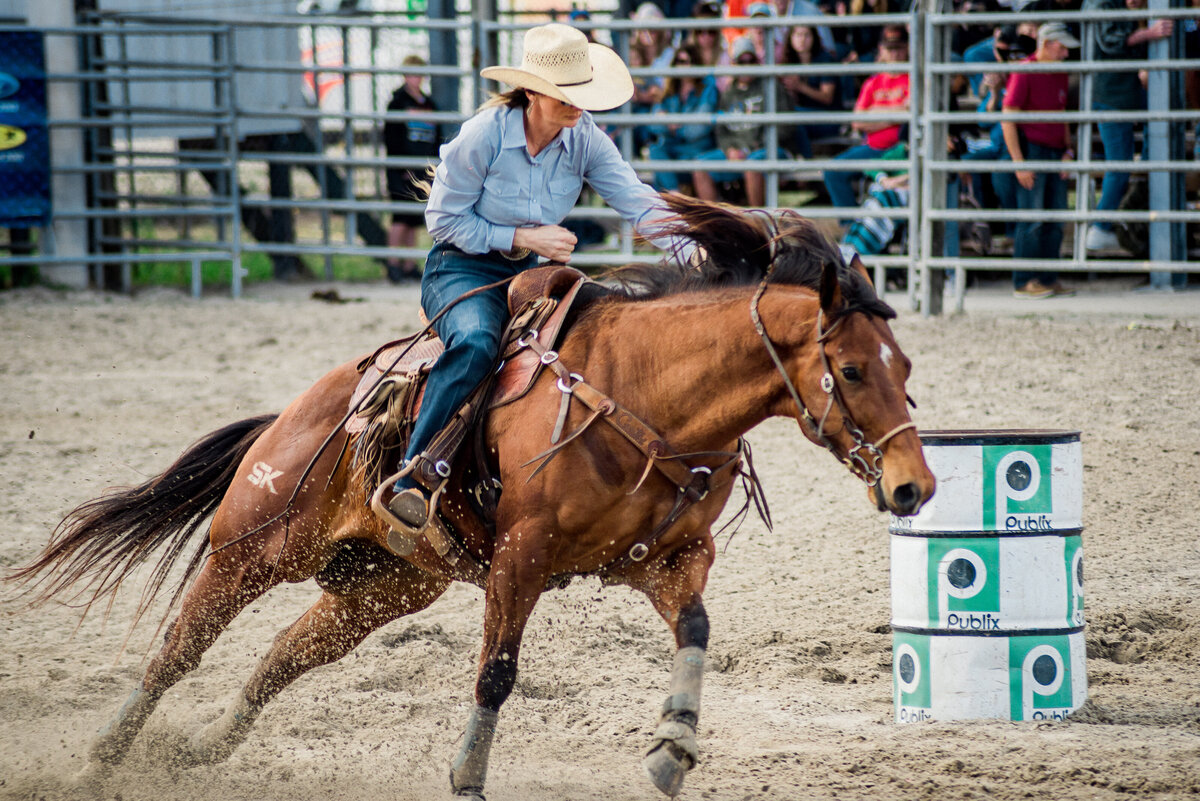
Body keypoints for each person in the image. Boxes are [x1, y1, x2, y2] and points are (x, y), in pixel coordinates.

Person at [386, 24, 694, 535]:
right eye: (567, 94)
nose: (578, 104)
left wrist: (695, 247)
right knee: (478, 344)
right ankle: (413, 478)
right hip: (460, 267)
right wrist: (525, 238)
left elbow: (636, 200)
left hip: (531, 274)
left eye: (583, 93)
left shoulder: (585, 137)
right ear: (532, 91)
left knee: (593, 345)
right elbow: (442, 221)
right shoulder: (484, 135)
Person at [1081, 0, 1174, 252]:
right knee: (1119, 165)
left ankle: (1146, 162)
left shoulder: (1117, 8)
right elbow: (1110, 41)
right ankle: (1100, 228)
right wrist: (1150, 33)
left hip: (1123, 90)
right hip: (1111, 94)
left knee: (1161, 117)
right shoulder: (1101, 5)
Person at [1002, 22, 1078, 298]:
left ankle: (1045, 277)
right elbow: (1008, 118)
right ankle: (1024, 281)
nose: (1066, 53)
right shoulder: (1025, 71)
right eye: (1062, 47)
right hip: (1033, 149)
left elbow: (1062, 115)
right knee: (1032, 219)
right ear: (1047, 44)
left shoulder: (1058, 72)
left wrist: (1068, 151)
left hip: (1053, 150)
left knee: (1055, 219)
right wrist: (1019, 162)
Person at [822, 24, 910, 209]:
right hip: (872, 148)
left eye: (899, 48)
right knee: (832, 171)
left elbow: (910, 113)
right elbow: (858, 121)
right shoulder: (873, 82)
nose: (894, 54)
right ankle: (852, 224)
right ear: (881, 50)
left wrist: (875, 112)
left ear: (907, 48)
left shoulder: (913, 78)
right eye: (889, 48)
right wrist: (896, 114)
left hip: (901, 149)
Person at [691, 36, 786, 205]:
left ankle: (758, 224)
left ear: (757, 62)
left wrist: (750, 147)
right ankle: (714, 225)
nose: (746, 65)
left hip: (766, 149)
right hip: (736, 152)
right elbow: (721, 129)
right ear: (734, 64)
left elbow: (785, 126)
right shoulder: (728, 93)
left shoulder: (771, 86)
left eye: (751, 60)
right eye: (742, 61)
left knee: (752, 166)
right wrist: (730, 149)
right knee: (700, 166)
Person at [383, 55, 440, 283]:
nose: (415, 78)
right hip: (402, 168)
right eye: (411, 73)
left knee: (415, 218)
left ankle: (409, 265)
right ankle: (393, 264)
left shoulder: (428, 103)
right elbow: (392, 137)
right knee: (400, 217)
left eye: (418, 73)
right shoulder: (397, 103)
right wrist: (401, 165)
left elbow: (435, 136)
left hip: (421, 168)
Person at [646, 44, 720, 192]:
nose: (686, 66)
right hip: (674, 147)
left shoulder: (708, 89)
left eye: (690, 61)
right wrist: (673, 125)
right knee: (655, 150)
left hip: (697, 149)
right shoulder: (670, 90)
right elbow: (653, 124)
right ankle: (675, 194)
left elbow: (699, 128)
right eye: (681, 61)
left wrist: (671, 124)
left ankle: (672, 202)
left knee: (663, 169)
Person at [779, 24, 841, 158]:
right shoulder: (790, 61)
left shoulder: (825, 60)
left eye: (807, 35)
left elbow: (827, 97)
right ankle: (800, 161)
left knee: (791, 115)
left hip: (829, 119)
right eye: (798, 35)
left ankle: (804, 162)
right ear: (790, 38)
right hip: (802, 117)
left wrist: (799, 86)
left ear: (814, 38)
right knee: (790, 118)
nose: (802, 39)